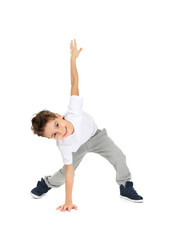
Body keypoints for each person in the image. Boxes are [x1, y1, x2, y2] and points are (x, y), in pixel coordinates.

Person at [30, 39, 143, 212]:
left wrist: (72, 59)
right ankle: (46, 183)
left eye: (57, 125)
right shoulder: (65, 145)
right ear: (52, 139)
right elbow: (70, 173)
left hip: (96, 137)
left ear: (59, 116)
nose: (61, 132)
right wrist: (68, 200)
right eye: (54, 134)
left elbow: (74, 82)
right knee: (63, 173)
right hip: (78, 147)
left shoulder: (73, 110)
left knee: (119, 156)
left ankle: (125, 185)